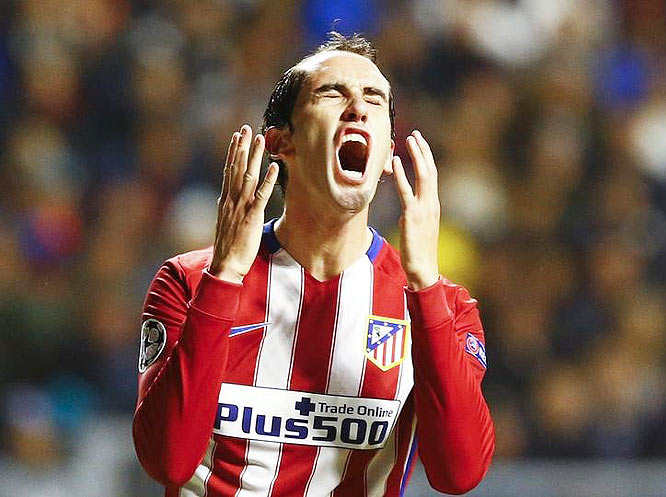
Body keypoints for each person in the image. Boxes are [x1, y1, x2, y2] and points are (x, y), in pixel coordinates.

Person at [133, 32, 494, 497]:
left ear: (387, 153)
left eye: (374, 99)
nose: (357, 108)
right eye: (332, 94)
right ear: (282, 142)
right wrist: (222, 281)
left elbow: (458, 474)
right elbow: (167, 460)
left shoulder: (442, 307)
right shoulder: (188, 282)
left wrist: (424, 286)